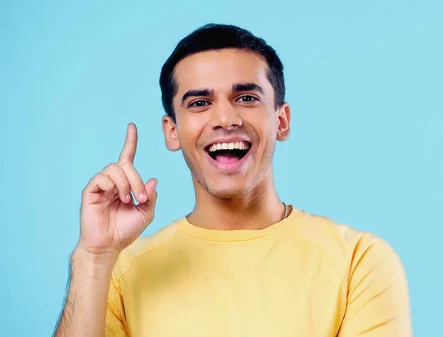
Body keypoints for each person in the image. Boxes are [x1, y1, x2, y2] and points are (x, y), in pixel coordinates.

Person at [54, 23, 412, 337]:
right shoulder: (118, 273)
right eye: (199, 103)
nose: (226, 118)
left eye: (246, 97)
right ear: (172, 131)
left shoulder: (359, 262)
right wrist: (94, 257)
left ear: (281, 121)